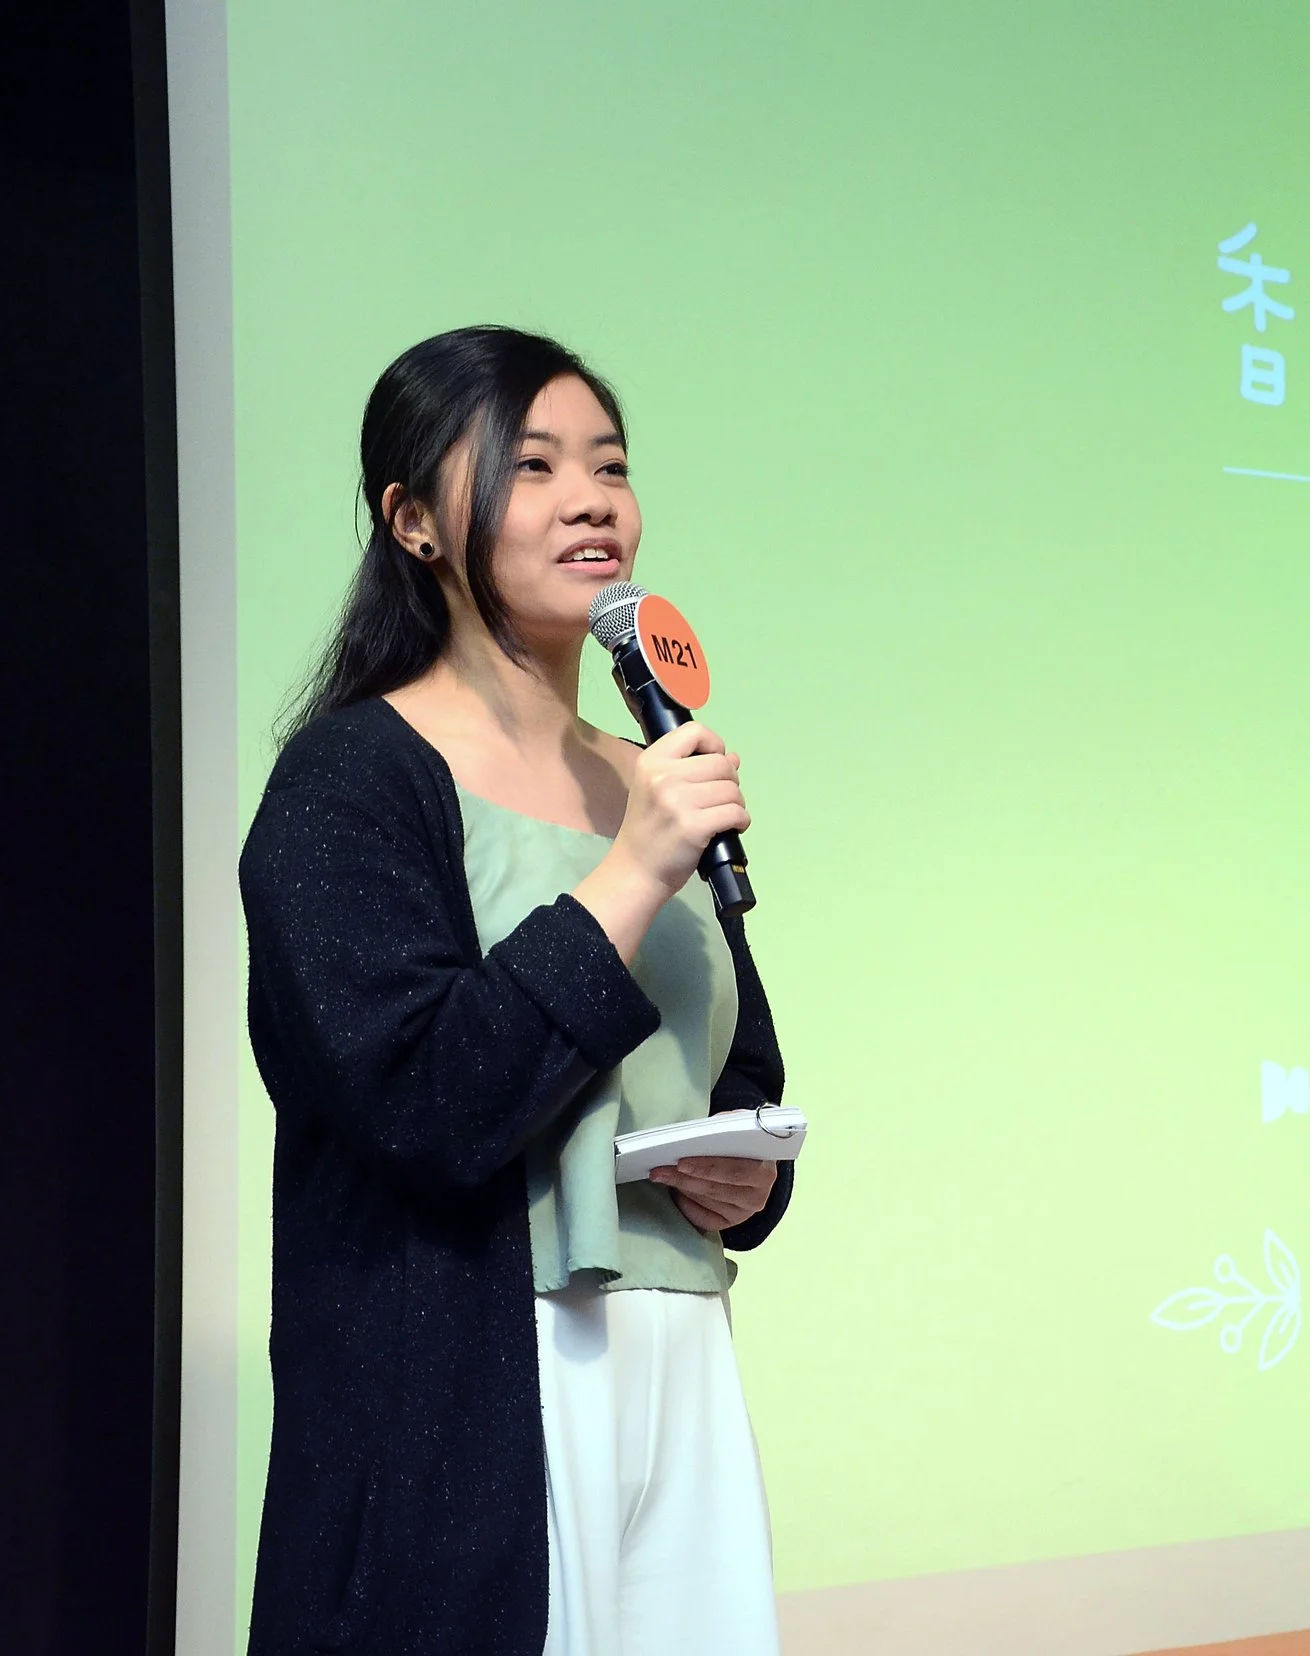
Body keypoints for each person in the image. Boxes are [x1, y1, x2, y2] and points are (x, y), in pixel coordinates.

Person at [240, 325, 792, 1656]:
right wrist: (632, 871)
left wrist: (752, 1174)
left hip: (680, 1353)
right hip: (480, 1370)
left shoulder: (649, 768)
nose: (592, 498)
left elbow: (739, 1070)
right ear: (416, 518)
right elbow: (420, 1101)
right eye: (534, 467)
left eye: (608, 463)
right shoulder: (349, 784)